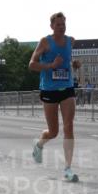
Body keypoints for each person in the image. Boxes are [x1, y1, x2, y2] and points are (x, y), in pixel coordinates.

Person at [29, 12, 80, 182]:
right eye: (58, 24)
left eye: (64, 24)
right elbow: (32, 65)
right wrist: (51, 65)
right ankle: (39, 145)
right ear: (52, 26)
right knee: (53, 132)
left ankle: (68, 168)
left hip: (67, 87)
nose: (62, 27)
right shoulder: (45, 42)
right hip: (49, 89)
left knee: (69, 126)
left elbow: (69, 59)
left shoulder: (71, 41)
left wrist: (74, 64)